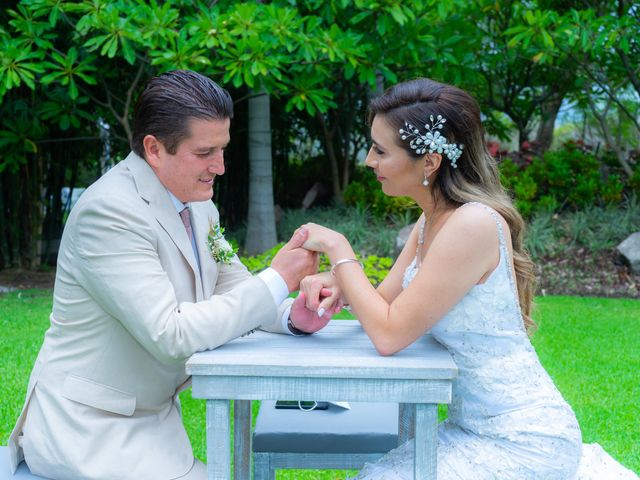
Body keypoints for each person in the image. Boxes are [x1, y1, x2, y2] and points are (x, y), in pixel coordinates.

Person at [297, 78, 638, 479]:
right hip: (471, 429)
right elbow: (384, 304)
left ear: (429, 162)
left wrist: (340, 250)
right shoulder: (432, 220)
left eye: (380, 150)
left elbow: (388, 335)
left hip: (522, 439)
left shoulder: (472, 224)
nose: (370, 161)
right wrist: (339, 283)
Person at [7, 69, 335, 480]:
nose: (219, 166)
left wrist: (291, 314)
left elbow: (231, 285)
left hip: (155, 425)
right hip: (88, 432)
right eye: (204, 153)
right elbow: (171, 335)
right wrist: (276, 278)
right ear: (154, 148)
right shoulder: (108, 212)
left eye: (222, 150)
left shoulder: (198, 203)